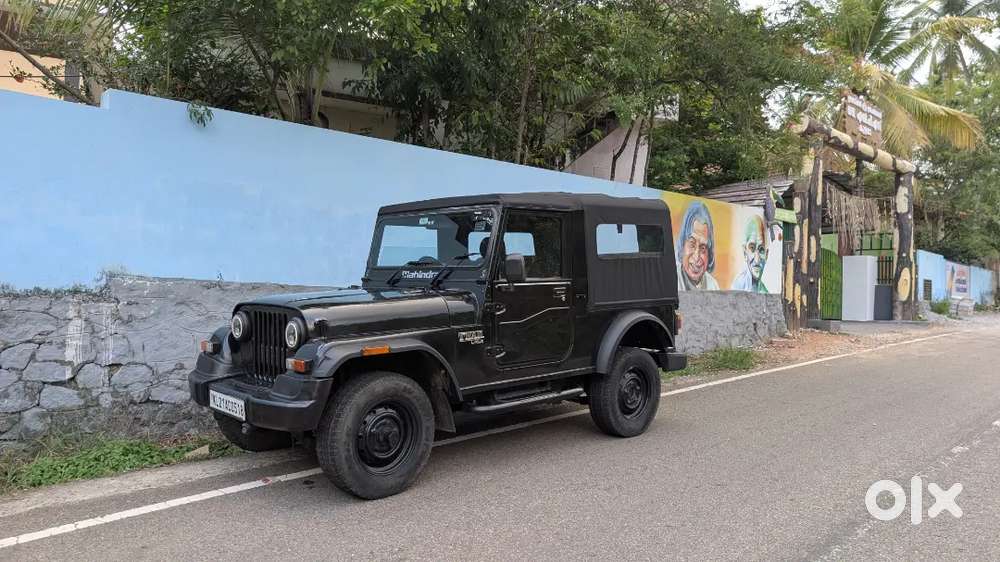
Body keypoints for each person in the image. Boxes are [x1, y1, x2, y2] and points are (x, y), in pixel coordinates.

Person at [675, 201, 720, 291]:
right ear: (682, 245)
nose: (697, 257)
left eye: (703, 248)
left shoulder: (713, 286)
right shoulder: (671, 280)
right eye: (692, 244)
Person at [731, 215, 769, 293]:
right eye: (752, 248)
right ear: (745, 253)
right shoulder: (738, 287)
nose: (757, 260)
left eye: (761, 249)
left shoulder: (765, 292)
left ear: (767, 255)